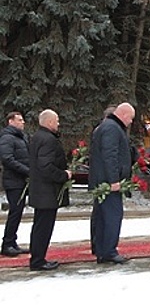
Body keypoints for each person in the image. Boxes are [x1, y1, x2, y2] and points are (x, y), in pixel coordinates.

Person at [88, 102, 135, 264]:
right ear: (123, 114)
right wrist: (114, 180)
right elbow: (110, 155)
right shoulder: (112, 128)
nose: (131, 122)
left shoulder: (107, 126)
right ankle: (109, 251)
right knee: (112, 216)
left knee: (102, 217)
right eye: (130, 118)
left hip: (103, 182)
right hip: (108, 184)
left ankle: (102, 251)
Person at [28, 109, 72, 271]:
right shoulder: (48, 140)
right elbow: (45, 166)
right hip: (47, 192)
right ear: (49, 122)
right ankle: (38, 260)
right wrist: (63, 175)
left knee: (39, 226)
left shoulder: (38, 137)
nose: (59, 123)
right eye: (57, 120)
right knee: (43, 227)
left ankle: (37, 257)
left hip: (41, 190)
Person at [0, 112, 30, 257]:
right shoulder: (7, 138)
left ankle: (12, 241)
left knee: (18, 212)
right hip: (14, 181)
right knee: (15, 212)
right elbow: (7, 159)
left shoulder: (22, 138)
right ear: (10, 121)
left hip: (22, 180)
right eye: (19, 120)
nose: (23, 122)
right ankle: (7, 244)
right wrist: (27, 171)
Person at [89, 105, 117, 255]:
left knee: (98, 214)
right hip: (104, 180)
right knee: (103, 215)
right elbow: (109, 155)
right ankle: (101, 246)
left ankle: (97, 245)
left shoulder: (100, 130)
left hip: (100, 178)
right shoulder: (108, 130)